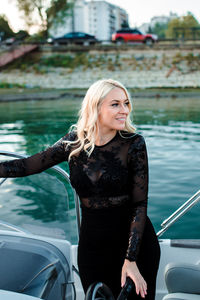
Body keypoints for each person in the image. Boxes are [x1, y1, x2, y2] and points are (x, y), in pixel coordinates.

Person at [0, 79, 160, 299]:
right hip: (92, 245)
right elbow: (28, 165)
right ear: (95, 107)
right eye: (115, 104)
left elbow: (139, 205)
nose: (124, 110)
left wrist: (131, 260)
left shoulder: (134, 144)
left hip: (134, 247)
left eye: (126, 104)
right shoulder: (73, 142)